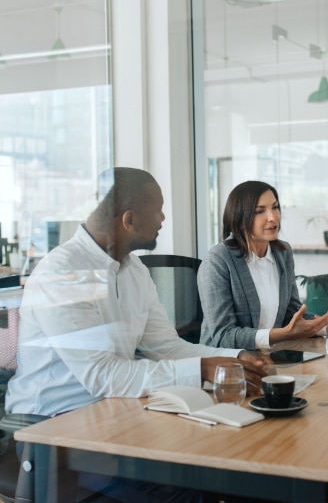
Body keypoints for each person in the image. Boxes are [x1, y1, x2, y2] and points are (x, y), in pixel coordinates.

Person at [6, 168, 274, 501]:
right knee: (189, 487)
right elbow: (102, 376)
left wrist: (236, 359)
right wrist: (206, 368)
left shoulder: (132, 270)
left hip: (116, 414)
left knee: (228, 459)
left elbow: (165, 346)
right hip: (55, 429)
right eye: (158, 209)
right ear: (129, 220)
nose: (163, 217)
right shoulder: (64, 273)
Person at [198, 181, 328, 350]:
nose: (273, 217)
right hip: (224, 366)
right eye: (260, 211)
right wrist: (283, 334)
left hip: (270, 357)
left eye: (275, 207)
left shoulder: (282, 252)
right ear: (240, 219)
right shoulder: (218, 260)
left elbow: (292, 314)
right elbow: (223, 336)